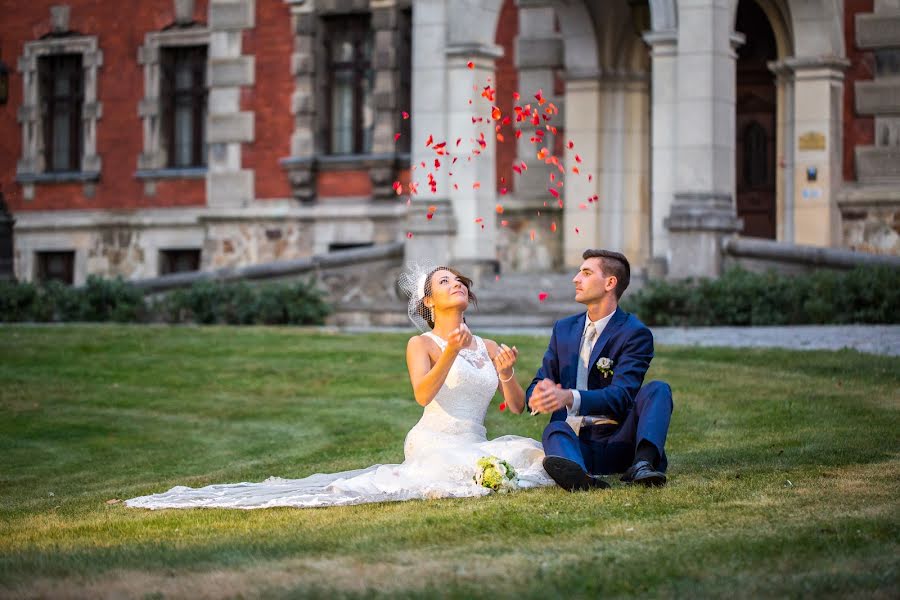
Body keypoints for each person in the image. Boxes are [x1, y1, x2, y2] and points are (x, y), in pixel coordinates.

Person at [125, 264, 552, 509]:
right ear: (428, 302)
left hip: (473, 437)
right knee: (463, 474)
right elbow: (423, 395)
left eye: (459, 281)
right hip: (434, 441)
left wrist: (506, 371)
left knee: (523, 453)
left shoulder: (488, 344)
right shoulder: (421, 343)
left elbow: (515, 408)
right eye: (445, 282)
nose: (456, 284)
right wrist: (449, 352)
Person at [526, 249, 673, 491]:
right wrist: (538, 394)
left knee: (658, 390)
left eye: (585, 273)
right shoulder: (563, 329)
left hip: (620, 439)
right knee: (554, 429)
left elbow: (621, 396)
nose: (576, 279)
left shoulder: (634, 333)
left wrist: (569, 397)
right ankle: (579, 475)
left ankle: (643, 464)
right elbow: (541, 380)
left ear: (610, 283)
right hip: (575, 441)